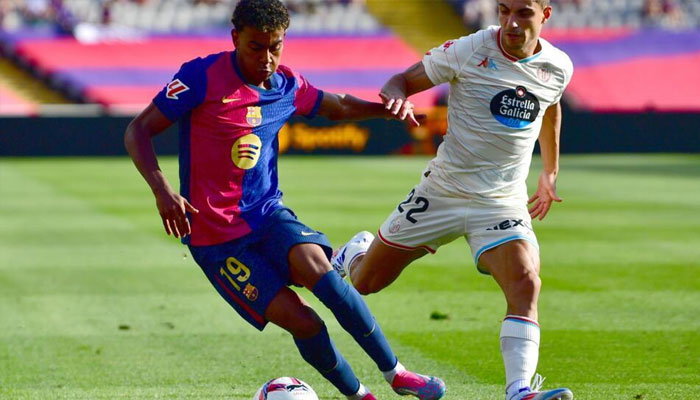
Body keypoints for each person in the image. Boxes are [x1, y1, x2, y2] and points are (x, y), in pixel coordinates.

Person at [123, 1, 445, 399]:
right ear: (235, 38)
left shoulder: (286, 84)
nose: (267, 58)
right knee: (305, 322)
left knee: (324, 278)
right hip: (215, 239)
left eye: (276, 47)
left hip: (267, 214)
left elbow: (337, 106)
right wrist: (163, 192)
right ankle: (361, 395)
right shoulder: (201, 76)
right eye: (256, 47)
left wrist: (387, 112)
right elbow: (138, 130)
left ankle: (396, 373)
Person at [332, 1, 574, 399]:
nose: (512, 22)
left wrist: (549, 172)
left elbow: (551, 107)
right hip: (442, 191)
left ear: (544, 15)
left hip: (500, 201)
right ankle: (357, 250)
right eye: (505, 10)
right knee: (365, 282)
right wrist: (397, 98)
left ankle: (519, 390)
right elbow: (399, 81)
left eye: (524, 13)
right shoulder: (469, 49)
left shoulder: (558, 66)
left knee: (526, 281)